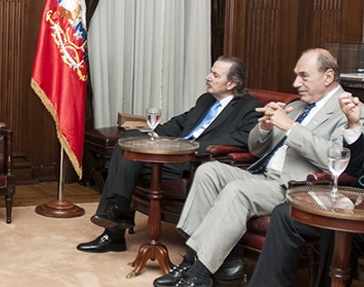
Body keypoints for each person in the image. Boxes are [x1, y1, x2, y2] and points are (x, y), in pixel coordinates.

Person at [157, 48, 359, 287]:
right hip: (261, 174)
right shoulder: (298, 107)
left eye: (303, 76)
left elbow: (337, 157)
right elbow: (257, 149)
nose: (296, 83)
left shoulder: (349, 110)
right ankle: (193, 259)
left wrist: (291, 128)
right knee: (208, 171)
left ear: (327, 77)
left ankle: (199, 273)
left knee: (237, 191)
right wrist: (263, 128)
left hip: (293, 186)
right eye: (296, 75)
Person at [77, 56, 262, 254]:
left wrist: (188, 146)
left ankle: (114, 226)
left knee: (129, 162)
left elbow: (244, 139)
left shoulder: (248, 108)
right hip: (172, 155)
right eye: (210, 72)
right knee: (129, 140)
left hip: (193, 162)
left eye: (215, 75)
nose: (208, 77)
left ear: (232, 83)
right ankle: (117, 216)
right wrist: (153, 135)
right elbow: (180, 122)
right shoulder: (206, 100)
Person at [247, 91, 364, 287]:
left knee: (336, 227)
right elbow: (353, 167)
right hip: (355, 207)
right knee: (286, 213)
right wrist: (353, 125)